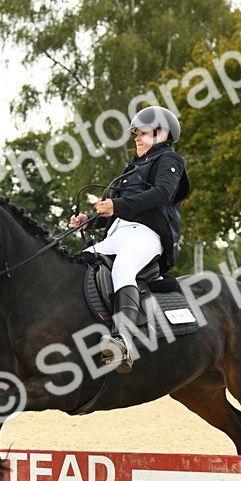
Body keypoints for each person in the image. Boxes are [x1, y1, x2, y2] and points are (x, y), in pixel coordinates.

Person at [70, 106, 190, 373]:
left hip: (148, 235)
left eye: (143, 132)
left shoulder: (169, 160)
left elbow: (162, 194)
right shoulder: (134, 167)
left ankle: (123, 342)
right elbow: (122, 208)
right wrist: (89, 219)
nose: (136, 137)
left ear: (162, 134)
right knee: (79, 264)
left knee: (124, 268)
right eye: (135, 133)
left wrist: (116, 206)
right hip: (119, 232)